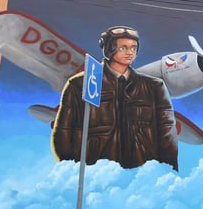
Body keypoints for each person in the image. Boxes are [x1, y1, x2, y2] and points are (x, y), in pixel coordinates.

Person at [52, 25, 179, 170]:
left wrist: (168, 170)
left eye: (133, 48)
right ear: (108, 48)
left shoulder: (154, 87)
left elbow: (167, 134)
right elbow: (63, 132)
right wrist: (72, 169)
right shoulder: (79, 85)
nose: (130, 53)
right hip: (94, 172)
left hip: (141, 174)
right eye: (123, 48)